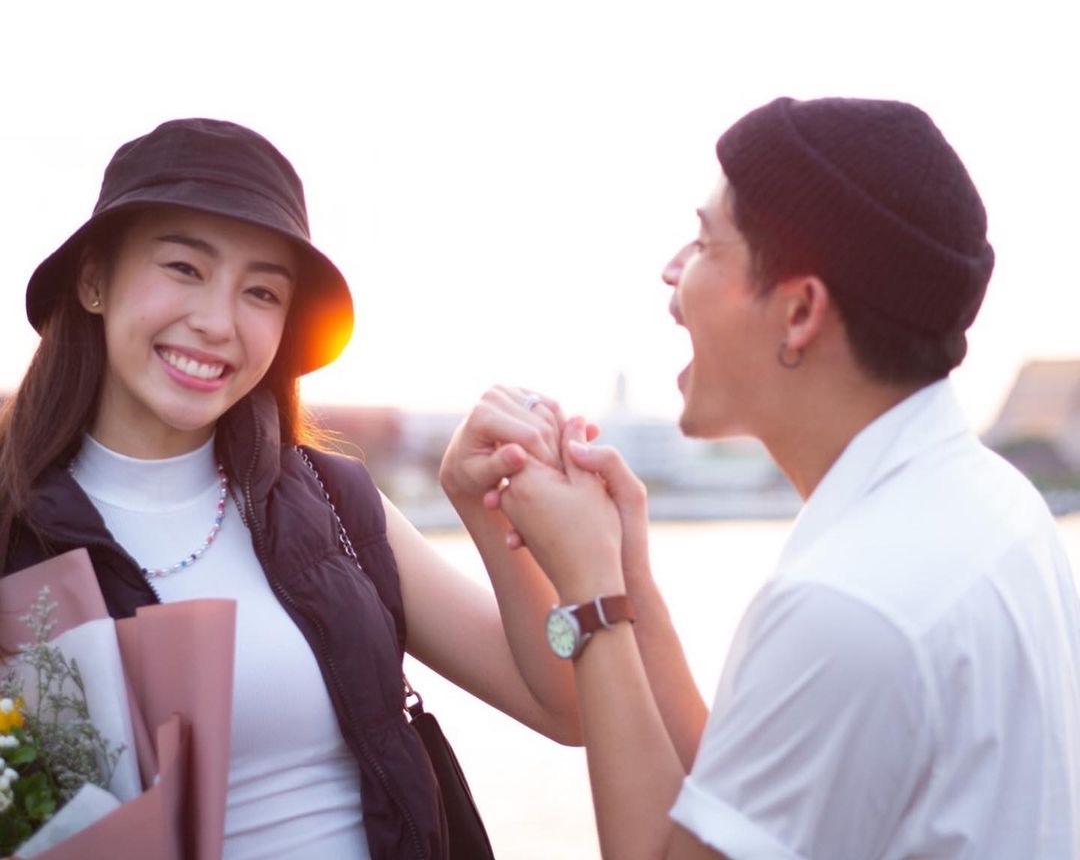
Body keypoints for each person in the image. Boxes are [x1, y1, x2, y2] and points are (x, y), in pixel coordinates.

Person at [454, 97, 1080, 858]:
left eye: (704, 244)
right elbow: (740, 808)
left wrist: (590, 598)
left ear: (800, 311)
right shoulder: (988, 502)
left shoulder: (849, 603)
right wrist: (627, 578)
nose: (671, 271)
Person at [0, 117, 582, 859]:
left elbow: (564, 705)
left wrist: (488, 513)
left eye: (262, 292)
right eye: (184, 267)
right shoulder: (13, 527)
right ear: (93, 281)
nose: (218, 323)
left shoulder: (334, 505)